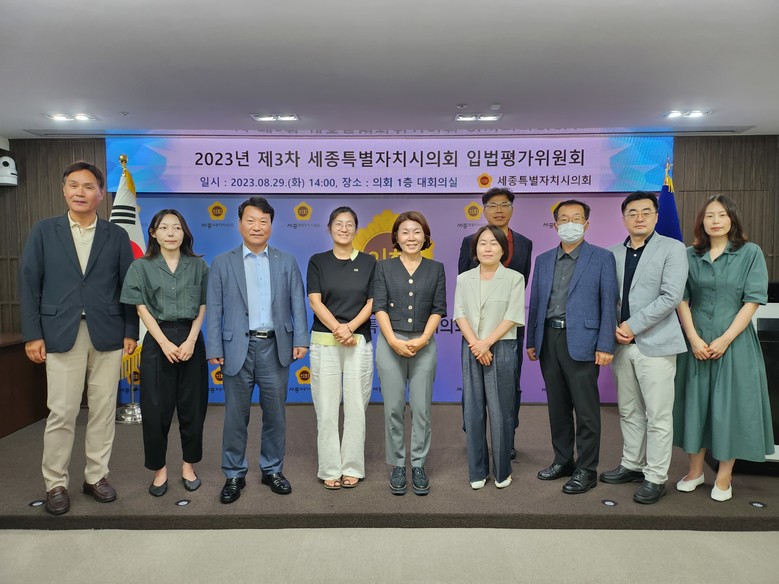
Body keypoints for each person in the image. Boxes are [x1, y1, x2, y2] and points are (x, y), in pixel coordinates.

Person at [20, 161, 139, 515]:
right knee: (62, 411)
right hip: (60, 333)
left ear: (101, 194)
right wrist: (33, 334)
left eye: (88, 187)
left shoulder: (116, 235)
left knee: (103, 410)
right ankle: (55, 483)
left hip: (108, 333)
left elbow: (127, 287)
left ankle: (96, 476)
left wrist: (131, 330)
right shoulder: (44, 231)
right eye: (73, 185)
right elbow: (30, 284)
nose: (80, 192)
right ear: (64, 190)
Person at [206, 196, 308, 504]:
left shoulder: (286, 261)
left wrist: (301, 339)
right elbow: (215, 308)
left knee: (275, 415)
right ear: (239, 224)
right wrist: (214, 346)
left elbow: (297, 303)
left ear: (271, 226)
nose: (257, 226)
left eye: (263, 221)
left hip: (275, 346)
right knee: (235, 417)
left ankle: (272, 469)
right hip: (236, 347)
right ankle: (234, 474)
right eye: (250, 220)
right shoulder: (222, 262)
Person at [673, 195, 774, 502]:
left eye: (721, 215)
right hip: (696, 342)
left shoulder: (750, 253)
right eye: (709, 216)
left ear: (732, 219)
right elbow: (681, 298)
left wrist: (726, 338)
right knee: (694, 405)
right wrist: (693, 338)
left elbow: (752, 300)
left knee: (730, 407)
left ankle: (724, 476)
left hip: (735, 343)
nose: (715, 221)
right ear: (701, 222)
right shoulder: (689, 255)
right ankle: (695, 471)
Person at [599, 192, 688, 504]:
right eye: (632, 212)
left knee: (658, 415)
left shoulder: (673, 248)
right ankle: (632, 464)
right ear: (623, 218)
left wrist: (631, 326)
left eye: (646, 212)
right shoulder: (611, 253)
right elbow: (607, 297)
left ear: (656, 216)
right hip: (621, 346)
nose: (639, 217)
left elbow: (671, 296)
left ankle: (655, 476)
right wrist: (612, 328)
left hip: (656, 344)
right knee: (629, 410)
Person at [526, 199, 618, 495]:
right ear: (555, 225)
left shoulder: (601, 258)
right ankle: (563, 460)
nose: (569, 224)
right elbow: (536, 302)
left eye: (576, 218)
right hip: (549, 339)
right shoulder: (543, 260)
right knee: (558, 406)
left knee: (586, 410)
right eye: (563, 219)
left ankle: (587, 469)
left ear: (586, 224)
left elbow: (609, 303)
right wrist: (532, 340)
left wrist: (606, 344)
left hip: (584, 342)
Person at [120, 209, 209, 497]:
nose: (171, 233)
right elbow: (140, 308)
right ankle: (159, 471)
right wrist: (163, 342)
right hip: (157, 341)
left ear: (184, 233)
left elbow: (203, 305)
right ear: (153, 233)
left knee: (193, 408)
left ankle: (188, 466)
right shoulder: (141, 267)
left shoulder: (198, 265)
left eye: (177, 228)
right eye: (164, 228)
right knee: (156, 410)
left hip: (191, 339)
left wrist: (191, 340)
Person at [374, 211, 446, 496]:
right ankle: (397, 465)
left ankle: (418, 464)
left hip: (423, 343)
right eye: (405, 232)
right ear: (396, 237)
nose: (411, 237)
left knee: (421, 408)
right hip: (390, 342)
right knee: (393, 407)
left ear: (425, 236)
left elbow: (438, 308)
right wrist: (392, 340)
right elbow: (379, 306)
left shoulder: (436, 268)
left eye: (417, 231)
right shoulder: (383, 267)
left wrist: (424, 339)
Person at [458, 187, 532, 460]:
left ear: (512, 208)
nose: (498, 210)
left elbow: (522, 284)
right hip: (475, 334)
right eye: (492, 205)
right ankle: (475, 438)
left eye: (504, 205)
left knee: (510, 385)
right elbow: (464, 288)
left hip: (508, 329)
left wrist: (496, 335)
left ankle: (506, 438)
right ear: (484, 210)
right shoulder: (470, 241)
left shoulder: (524, 243)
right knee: (473, 390)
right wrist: (479, 341)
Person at [306, 207, 376, 490]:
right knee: (326, 408)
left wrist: (351, 328)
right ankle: (330, 469)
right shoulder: (318, 261)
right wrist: (338, 328)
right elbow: (315, 300)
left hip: (358, 342)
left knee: (357, 407)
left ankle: (352, 467)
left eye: (349, 224)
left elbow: (372, 302)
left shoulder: (369, 262)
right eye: (338, 224)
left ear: (356, 229)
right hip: (325, 341)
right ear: (329, 228)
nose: (344, 229)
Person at [454, 225, 525, 489]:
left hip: (501, 347)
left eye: (494, 243)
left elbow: (513, 316)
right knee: (473, 411)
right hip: (472, 347)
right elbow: (459, 314)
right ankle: (477, 471)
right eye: (482, 243)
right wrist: (476, 344)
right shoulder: (464, 279)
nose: (487, 248)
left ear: (503, 249)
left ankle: (502, 470)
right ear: (475, 249)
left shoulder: (514, 278)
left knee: (501, 411)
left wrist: (486, 343)